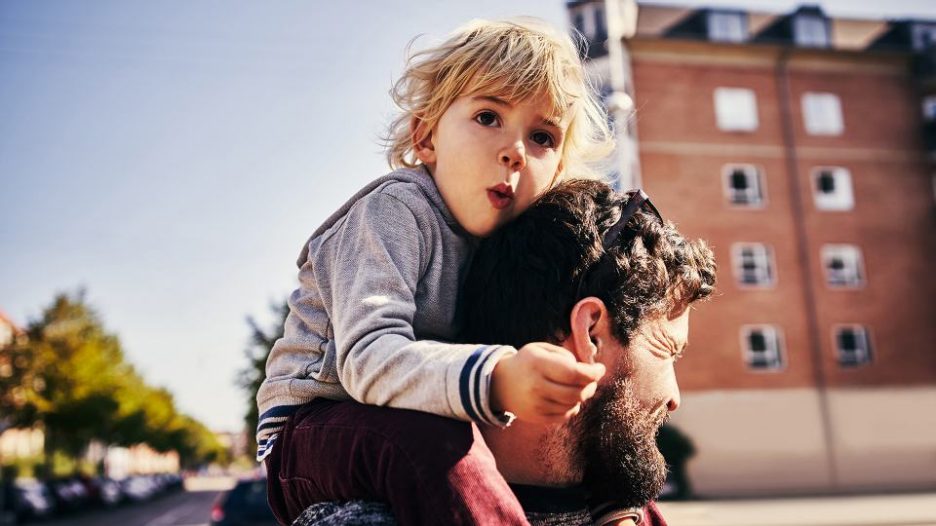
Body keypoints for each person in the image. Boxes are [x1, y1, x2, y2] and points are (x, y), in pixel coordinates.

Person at [257, 18, 615, 526]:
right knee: (435, 441)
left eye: (541, 136)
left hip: (411, 413)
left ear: (557, 170)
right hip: (311, 429)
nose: (515, 150)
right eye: (489, 116)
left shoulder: (508, 244)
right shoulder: (394, 212)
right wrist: (497, 376)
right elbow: (367, 360)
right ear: (425, 139)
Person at [290, 180, 717, 525]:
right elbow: (370, 354)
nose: (675, 396)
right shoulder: (372, 516)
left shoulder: (630, 513)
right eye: (666, 351)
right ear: (590, 332)